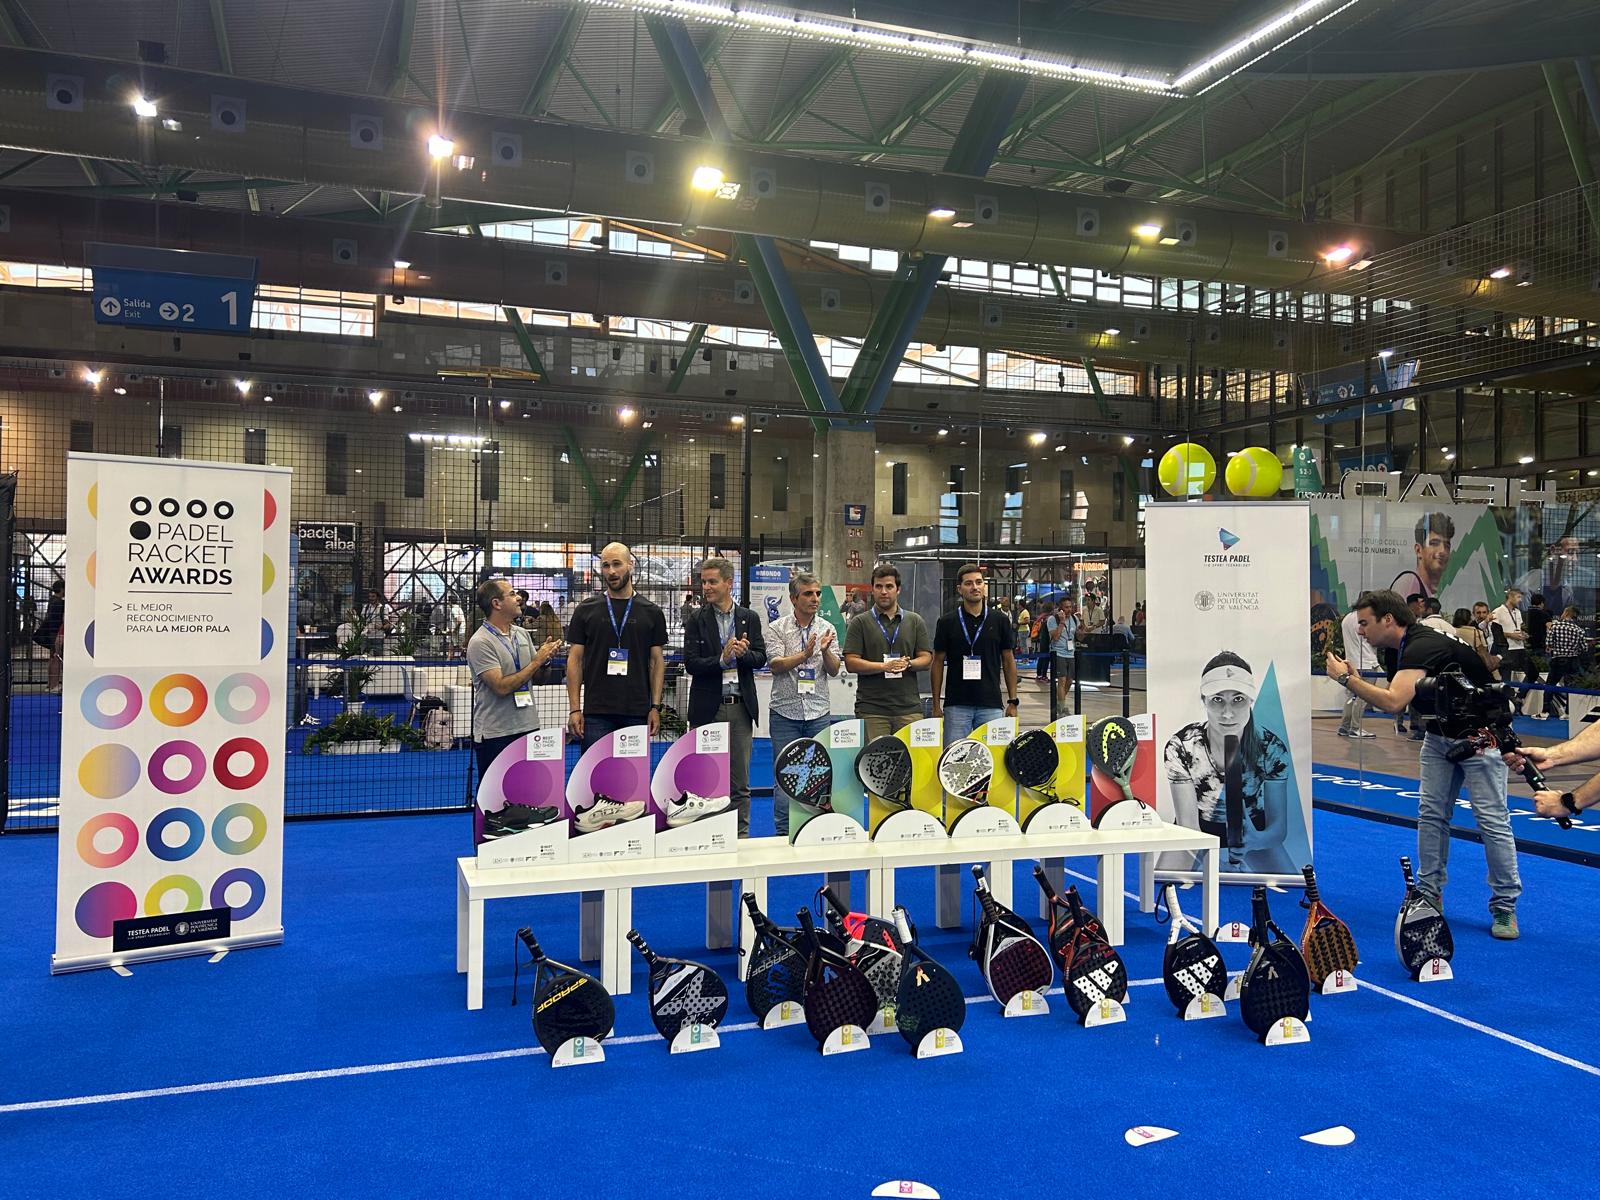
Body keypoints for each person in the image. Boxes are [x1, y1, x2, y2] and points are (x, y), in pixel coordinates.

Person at [1323, 589, 1522, 940]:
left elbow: (1393, 703)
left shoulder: (1421, 644)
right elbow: (1399, 693)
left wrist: (1345, 679)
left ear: (1388, 620)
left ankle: (1504, 906)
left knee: (1492, 822)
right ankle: (1429, 893)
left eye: (1365, 623)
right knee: (1431, 815)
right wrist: (1357, 679)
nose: (1360, 631)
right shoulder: (1396, 649)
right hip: (1439, 736)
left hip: (1481, 739)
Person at [1162, 651, 1296, 874]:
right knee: (1161, 883)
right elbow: (1188, 826)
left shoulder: (1271, 748)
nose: (1227, 713)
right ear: (1204, 700)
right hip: (1198, 829)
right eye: (1217, 700)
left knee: (1292, 885)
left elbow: (1278, 829)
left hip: (1253, 831)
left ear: (1251, 700)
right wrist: (1215, 865)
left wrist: (1255, 841)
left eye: (1238, 699)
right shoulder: (1181, 746)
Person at [683, 557, 767, 837]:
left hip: (740, 708)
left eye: (712, 582)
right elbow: (691, 663)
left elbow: (760, 658)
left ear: (729, 583)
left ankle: (741, 836)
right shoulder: (696, 619)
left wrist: (743, 655)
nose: (706, 587)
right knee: (705, 777)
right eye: (704, 582)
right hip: (708, 708)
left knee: (740, 782)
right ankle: (708, 834)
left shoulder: (749, 618)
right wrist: (721, 660)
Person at [467, 579, 561, 805]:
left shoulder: (522, 634)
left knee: (528, 795)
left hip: (528, 727)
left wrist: (545, 662)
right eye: (511, 594)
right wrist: (536, 661)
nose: (518, 598)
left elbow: (538, 679)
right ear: (496, 603)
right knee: (495, 800)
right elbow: (501, 687)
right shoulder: (480, 642)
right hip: (496, 734)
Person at [566, 542, 668, 750]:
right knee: (595, 770)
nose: (611, 571)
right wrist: (575, 709)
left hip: (637, 712)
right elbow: (574, 660)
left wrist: (655, 707)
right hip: (596, 713)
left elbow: (656, 662)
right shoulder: (585, 610)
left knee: (632, 771)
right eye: (606, 565)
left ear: (631, 565)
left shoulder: (652, 612)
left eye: (617, 564)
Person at [766, 571, 843, 836]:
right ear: (793, 598)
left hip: (818, 712)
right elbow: (775, 665)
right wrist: (804, 654)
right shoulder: (777, 628)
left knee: (819, 774)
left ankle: (815, 829)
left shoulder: (828, 628)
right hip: (784, 713)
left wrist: (824, 651)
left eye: (818, 593)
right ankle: (783, 832)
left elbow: (834, 669)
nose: (815, 598)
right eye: (808, 594)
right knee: (784, 774)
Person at [843, 563, 933, 743]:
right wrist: (884, 666)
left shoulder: (915, 621)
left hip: (909, 709)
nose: (884, 591)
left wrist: (908, 664)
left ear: (898, 590)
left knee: (910, 759)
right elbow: (851, 662)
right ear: (872, 589)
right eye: (879, 586)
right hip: (872, 710)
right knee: (875, 760)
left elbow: (926, 658)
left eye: (889, 586)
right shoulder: (859, 622)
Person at [930, 563, 1019, 743]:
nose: (975, 587)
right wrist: (936, 704)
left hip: (991, 704)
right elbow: (937, 662)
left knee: (991, 756)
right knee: (954, 756)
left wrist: (1013, 701)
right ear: (959, 589)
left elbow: (1008, 660)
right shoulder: (947, 622)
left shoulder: (1000, 620)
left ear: (984, 586)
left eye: (979, 582)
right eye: (968, 583)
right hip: (956, 705)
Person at [1336, 603, 1378, 739]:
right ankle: (1355, 728)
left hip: (1351, 663)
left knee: (1351, 697)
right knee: (1363, 697)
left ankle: (1344, 726)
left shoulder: (1346, 618)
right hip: (1367, 662)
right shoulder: (1366, 618)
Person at [1390, 512, 1454, 599]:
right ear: (1418, 550)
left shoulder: (1434, 590)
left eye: (1447, 546)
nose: (1442, 550)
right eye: (1434, 543)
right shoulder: (1409, 583)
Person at [1542, 604, 1590, 720]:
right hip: (1573, 660)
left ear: (1566, 613)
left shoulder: (1555, 627)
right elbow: (1584, 648)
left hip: (1558, 659)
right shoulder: (1579, 630)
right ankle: (1568, 713)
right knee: (1571, 687)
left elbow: (1548, 643)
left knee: (1550, 685)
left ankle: (1545, 712)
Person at [1491, 586, 1535, 699]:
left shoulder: (1518, 612)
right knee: (1506, 679)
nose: (1520, 600)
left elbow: (1517, 628)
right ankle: (1506, 703)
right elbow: (1495, 633)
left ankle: (1519, 697)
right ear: (1510, 596)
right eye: (1518, 597)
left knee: (1533, 673)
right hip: (1507, 649)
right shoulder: (1498, 612)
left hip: (1519, 647)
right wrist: (1511, 635)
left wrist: (1523, 634)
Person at [1045, 598, 1079, 714]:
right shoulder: (1052, 619)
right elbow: (1055, 637)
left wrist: (1083, 631)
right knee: (1062, 680)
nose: (1069, 609)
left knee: (1069, 680)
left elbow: (1079, 636)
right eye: (1066, 607)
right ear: (1061, 608)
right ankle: (1062, 707)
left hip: (1071, 653)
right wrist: (1062, 622)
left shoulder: (1074, 619)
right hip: (1058, 653)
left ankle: (1059, 702)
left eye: (1070, 607)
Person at [33, 579, 64, 693]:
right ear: (62, 589)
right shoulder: (59, 603)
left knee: (52, 658)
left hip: (51, 632)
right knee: (57, 658)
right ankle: (54, 685)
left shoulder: (52, 600)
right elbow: (59, 620)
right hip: (56, 632)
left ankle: (50, 685)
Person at [1452, 606, 1497, 676]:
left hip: (1456, 664)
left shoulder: (1451, 631)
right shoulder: (1477, 632)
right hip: (1474, 664)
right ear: (1469, 619)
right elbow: (1484, 649)